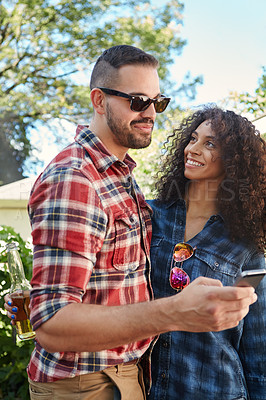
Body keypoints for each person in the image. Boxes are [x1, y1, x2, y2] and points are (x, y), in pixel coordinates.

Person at [4, 46, 257, 400]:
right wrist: (174, 312)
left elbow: (102, 279)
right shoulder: (76, 178)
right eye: (138, 101)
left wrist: (39, 295)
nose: (151, 113)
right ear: (99, 100)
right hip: (89, 383)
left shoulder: (121, 178)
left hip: (132, 378)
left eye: (158, 102)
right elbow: (52, 323)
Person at [147, 107, 266, 400]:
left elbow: (257, 349)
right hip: (144, 390)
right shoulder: (148, 217)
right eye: (193, 138)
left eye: (210, 144)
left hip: (218, 391)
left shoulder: (244, 246)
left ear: (234, 162)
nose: (193, 149)